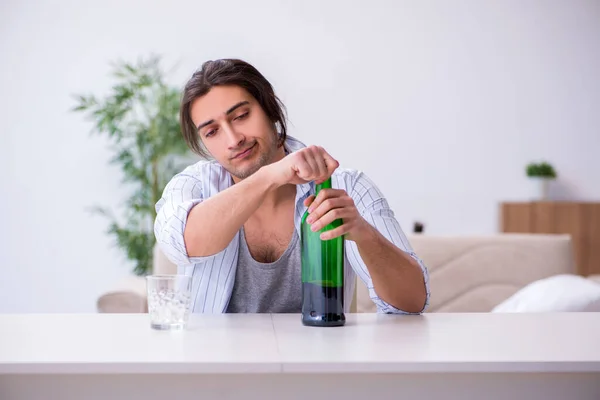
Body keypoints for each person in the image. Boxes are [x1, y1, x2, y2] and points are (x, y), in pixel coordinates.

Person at [154, 59, 430, 314]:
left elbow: (412, 303)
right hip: (216, 364)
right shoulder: (193, 186)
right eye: (212, 132)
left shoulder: (346, 187)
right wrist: (271, 176)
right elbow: (184, 245)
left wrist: (363, 233)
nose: (233, 139)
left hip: (318, 363)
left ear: (270, 108)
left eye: (241, 116)